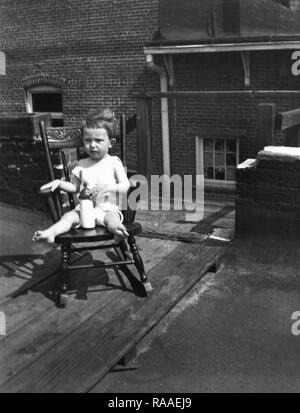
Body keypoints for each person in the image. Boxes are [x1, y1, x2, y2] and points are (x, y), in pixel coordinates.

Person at [32, 109, 130, 244]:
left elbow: (125, 186)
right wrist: (59, 183)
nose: (93, 145)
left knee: (113, 220)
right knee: (68, 217)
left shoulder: (113, 162)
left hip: (108, 209)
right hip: (85, 210)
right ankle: (51, 232)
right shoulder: (82, 164)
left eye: (98, 140)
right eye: (88, 140)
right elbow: (74, 187)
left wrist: (106, 187)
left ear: (111, 143)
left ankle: (119, 231)